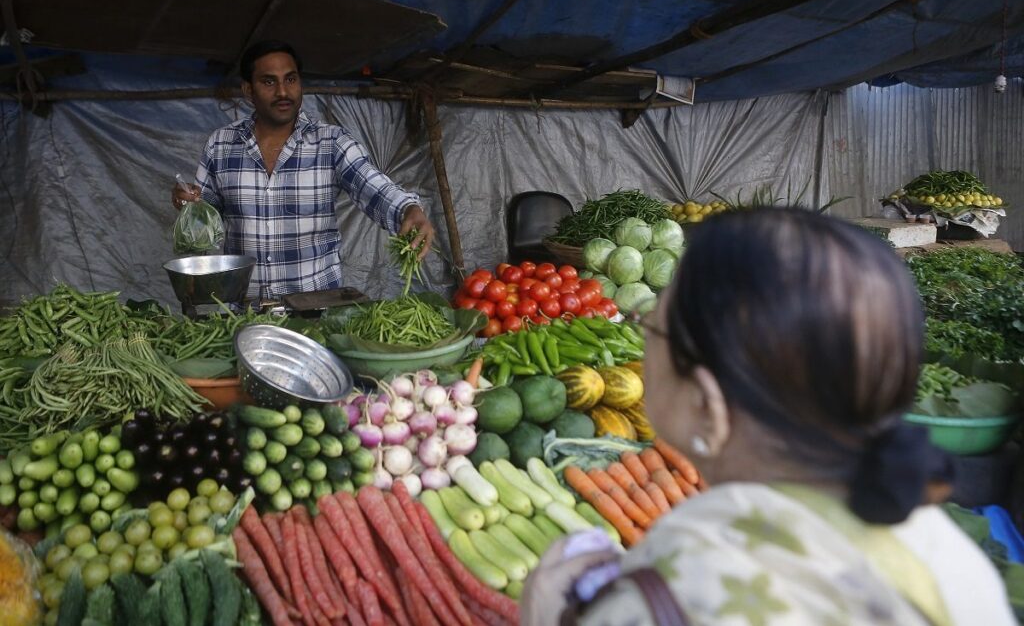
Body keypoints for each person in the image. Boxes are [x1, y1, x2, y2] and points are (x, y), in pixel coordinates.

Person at [522, 208, 1015, 626]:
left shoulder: (677, 587)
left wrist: (551, 614)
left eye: (652, 327)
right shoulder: (953, 558)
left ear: (707, 404)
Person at [172, 39, 435, 299]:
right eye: (268, 81)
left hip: (316, 311)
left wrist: (408, 209)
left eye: (291, 79)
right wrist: (188, 201)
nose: (283, 92)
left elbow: (373, 186)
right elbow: (204, 215)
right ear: (248, 90)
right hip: (245, 310)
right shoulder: (221, 144)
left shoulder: (331, 142)